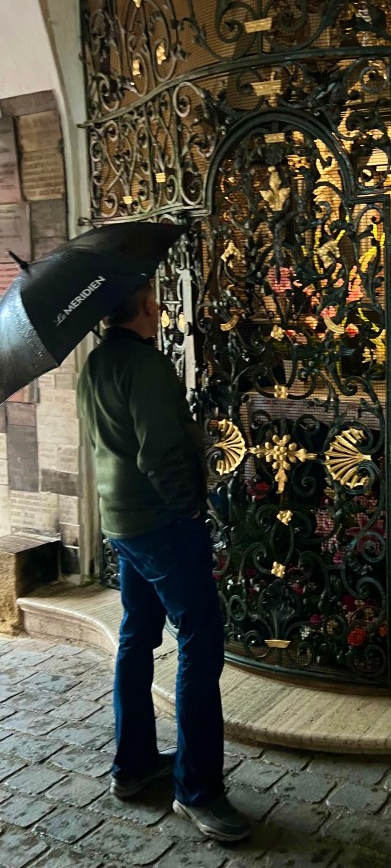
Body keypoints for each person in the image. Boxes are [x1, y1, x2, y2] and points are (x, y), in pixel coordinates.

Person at [76, 278, 250, 843]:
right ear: (146, 306)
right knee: (201, 643)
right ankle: (197, 789)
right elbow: (159, 453)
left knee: (137, 634)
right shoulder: (145, 366)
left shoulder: (96, 363)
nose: (158, 304)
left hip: (121, 523)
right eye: (152, 297)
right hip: (160, 524)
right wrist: (193, 512)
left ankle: (133, 765)